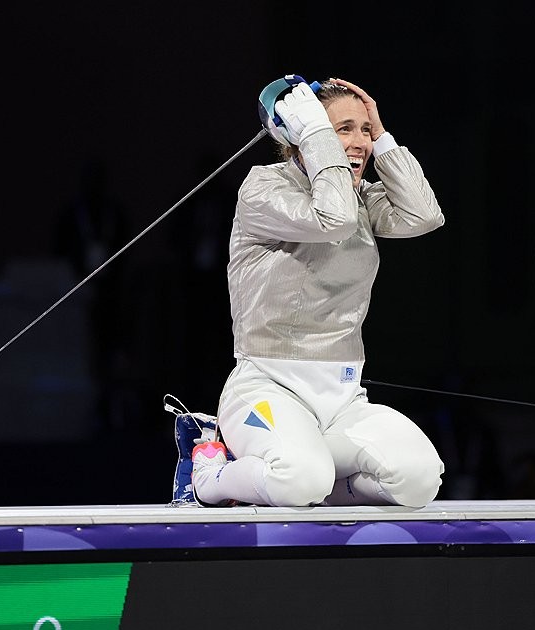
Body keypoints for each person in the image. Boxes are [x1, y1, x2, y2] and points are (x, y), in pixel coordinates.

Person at [189, 77, 445, 507]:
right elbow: (333, 220)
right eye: (343, 128)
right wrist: (315, 134)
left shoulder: (359, 197)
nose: (359, 140)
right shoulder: (263, 189)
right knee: (299, 479)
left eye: (364, 129)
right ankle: (208, 473)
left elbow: (424, 215)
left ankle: (310, 474)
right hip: (267, 388)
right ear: (301, 131)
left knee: (417, 480)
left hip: (342, 397)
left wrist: (384, 139)